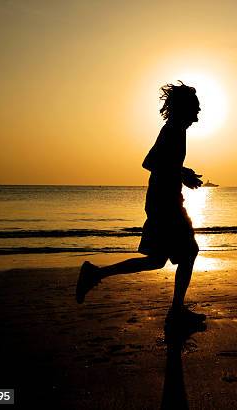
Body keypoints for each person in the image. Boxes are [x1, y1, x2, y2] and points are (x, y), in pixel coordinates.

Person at [76, 81, 205, 326]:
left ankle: (95, 273)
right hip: (164, 205)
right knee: (189, 252)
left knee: (157, 260)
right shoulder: (173, 130)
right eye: (196, 109)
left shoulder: (178, 130)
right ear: (185, 108)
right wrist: (181, 173)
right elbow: (149, 162)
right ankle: (176, 312)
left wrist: (181, 172)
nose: (198, 115)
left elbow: (163, 165)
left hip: (165, 203)